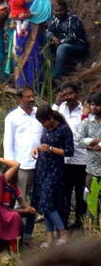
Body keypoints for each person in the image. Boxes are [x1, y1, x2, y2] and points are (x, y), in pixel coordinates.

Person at [32, 106, 75, 247]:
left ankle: (63, 232)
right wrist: (37, 149)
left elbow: (69, 151)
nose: (42, 125)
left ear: (51, 118)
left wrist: (51, 149)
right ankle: (50, 237)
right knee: (43, 204)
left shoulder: (64, 130)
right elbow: (44, 144)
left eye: (44, 122)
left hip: (55, 169)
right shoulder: (45, 129)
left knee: (48, 203)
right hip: (42, 168)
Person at [4, 87, 42, 238]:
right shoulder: (12, 117)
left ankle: (28, 232)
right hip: (22, 165)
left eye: (33, 96)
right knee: (21, 200)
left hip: (39, 165)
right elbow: (8, 143)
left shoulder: (38, 114)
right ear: (19, 99)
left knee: (36, 200)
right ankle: (16, 231)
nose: (32, 99)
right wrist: (11, 166)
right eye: (28, 97)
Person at [55, 83, 88, 231]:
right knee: (64, 192)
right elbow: (48, 119)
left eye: (70, 93)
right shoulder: (60, 109)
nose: (68, 97)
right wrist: (56, 103)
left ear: (77, 93)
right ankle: (63, 222)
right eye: (65, 94)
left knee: (80, 192)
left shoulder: (85, 111)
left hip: (82, 159)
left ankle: (79, 222)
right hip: (65, 159)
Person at [75, 91, 101, 228]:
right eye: (92, 105)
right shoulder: (87, 122)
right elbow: (79, 140)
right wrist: (93, 142)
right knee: (92, 200)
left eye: (97, 105)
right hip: (92, 169)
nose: (94, 108)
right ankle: (93, 228)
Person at [48, 0, 90, 79]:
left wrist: (59, 42)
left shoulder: (73, 19)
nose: (58, 13)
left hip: (78, 46)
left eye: (61, 10)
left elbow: (72, 38)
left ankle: (58, 76)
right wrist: (53, 37)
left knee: (61, 48)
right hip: (61, 43)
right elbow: (48, 31)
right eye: (56, 11)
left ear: (66, 9)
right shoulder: (54, 18)